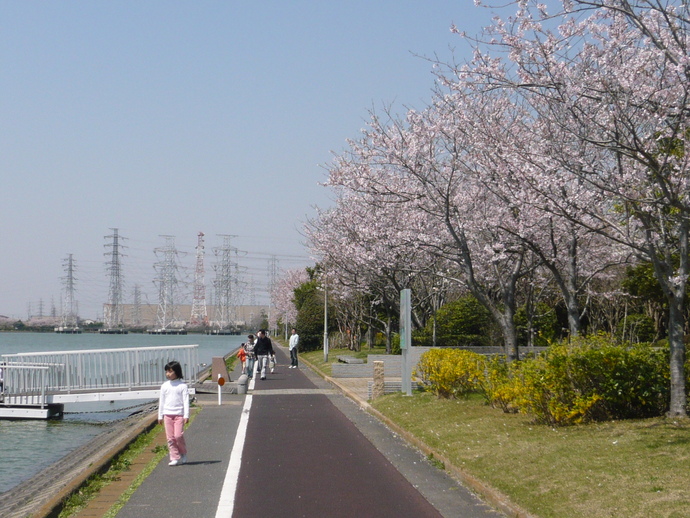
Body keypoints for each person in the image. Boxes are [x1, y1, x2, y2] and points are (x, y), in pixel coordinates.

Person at [158, 360, 189, 466]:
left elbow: (185, 401)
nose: (168, 374)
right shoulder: (164, 386)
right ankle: (174, 457)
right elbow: (161, 401)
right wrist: (160, 416)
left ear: (177, 372)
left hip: (179, 414)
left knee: (178, 436)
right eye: (167, 371)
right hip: (167, 415)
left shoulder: (182, 386)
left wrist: (186, 415)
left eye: (170, 371)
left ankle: (183, 452)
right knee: (170, 438)